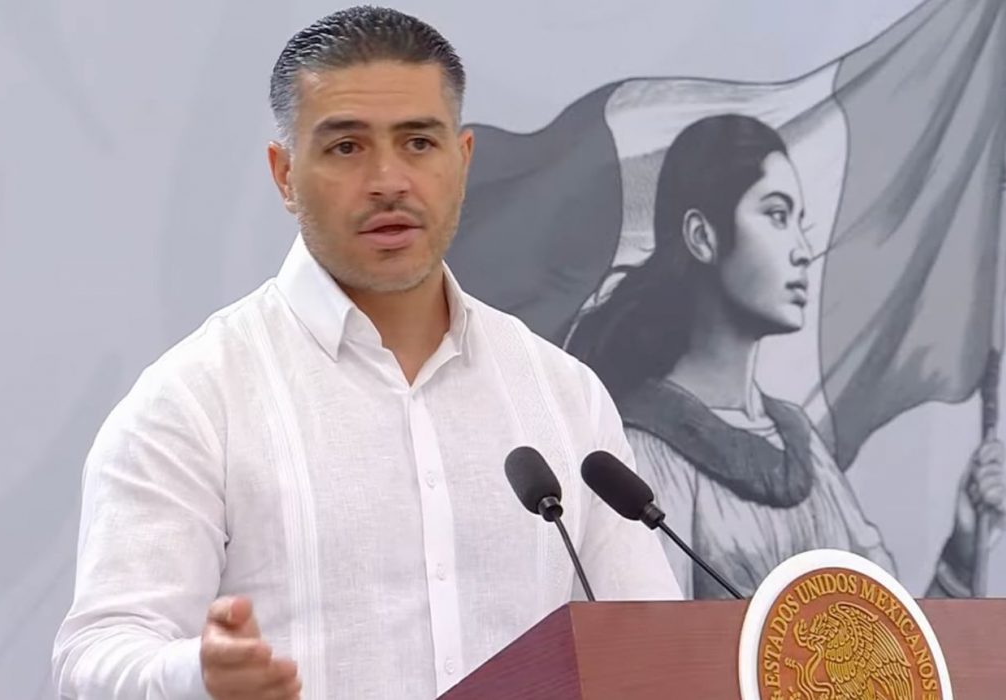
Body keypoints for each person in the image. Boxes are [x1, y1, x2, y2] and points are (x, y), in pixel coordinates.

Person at [50, 7, 681, 699]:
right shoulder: (195, 401)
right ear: (284, 174)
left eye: (419, 143)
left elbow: (653, 646)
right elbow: (94, 656)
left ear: (463, 161)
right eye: (347, 147)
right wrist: (195, 676)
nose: (389, 180)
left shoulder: (562, 392)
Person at [565, 113, 1006, 600]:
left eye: (801, 222)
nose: (802, 249)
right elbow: (649, 637)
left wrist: (961, 552)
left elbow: (885, 633)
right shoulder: (644, 448)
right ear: (702, 236)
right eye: (777, 215)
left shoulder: (800, 443)